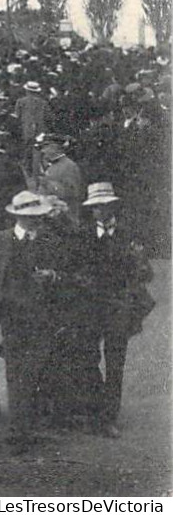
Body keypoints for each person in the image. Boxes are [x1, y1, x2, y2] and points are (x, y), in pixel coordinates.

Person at [0, 189, 64, 451]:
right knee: (15, 374)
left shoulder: (49, 240)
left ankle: (31, 426)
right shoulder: (1, 240)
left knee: (37, 372)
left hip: (41, 317)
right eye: (28, 217)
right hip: (11, 319)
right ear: (17, 216)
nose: (33, 221)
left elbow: (61, 273)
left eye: (36, 216)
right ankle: (17, 432)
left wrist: (52, 275)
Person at [79, 182, 154, 438]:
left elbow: (146, 274)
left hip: (119, 308)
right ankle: (94, 409)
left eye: (103, 206)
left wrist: (138, 260)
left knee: (115, 363)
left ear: (113, 207)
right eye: (94, 208)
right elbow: (75, 270)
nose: (98, 212)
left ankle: (108, 417)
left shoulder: (129, 235)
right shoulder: (83, 235)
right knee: (87, 358)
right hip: (90, 307)